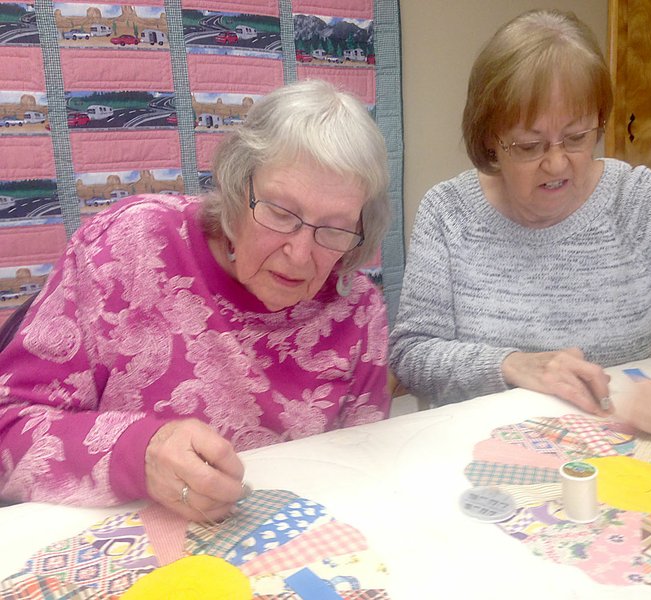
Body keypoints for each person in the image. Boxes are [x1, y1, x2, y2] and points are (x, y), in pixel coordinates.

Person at [389, 9, 651, 438]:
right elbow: (412, 353)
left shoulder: (639, 203)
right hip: (472, 455)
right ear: (490, 139)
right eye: (529, 146)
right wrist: (510, 364)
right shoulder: (448, 211)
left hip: (614, 453)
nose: (556, 163)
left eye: (577, 137)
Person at [0, 79, 391, 520]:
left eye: (335, 228)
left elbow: (362, 475)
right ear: (235, 186)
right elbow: (8, 428)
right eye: (280, 213)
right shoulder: (126, 247)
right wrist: (139, 454)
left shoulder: (358, 311)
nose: (300, 255)